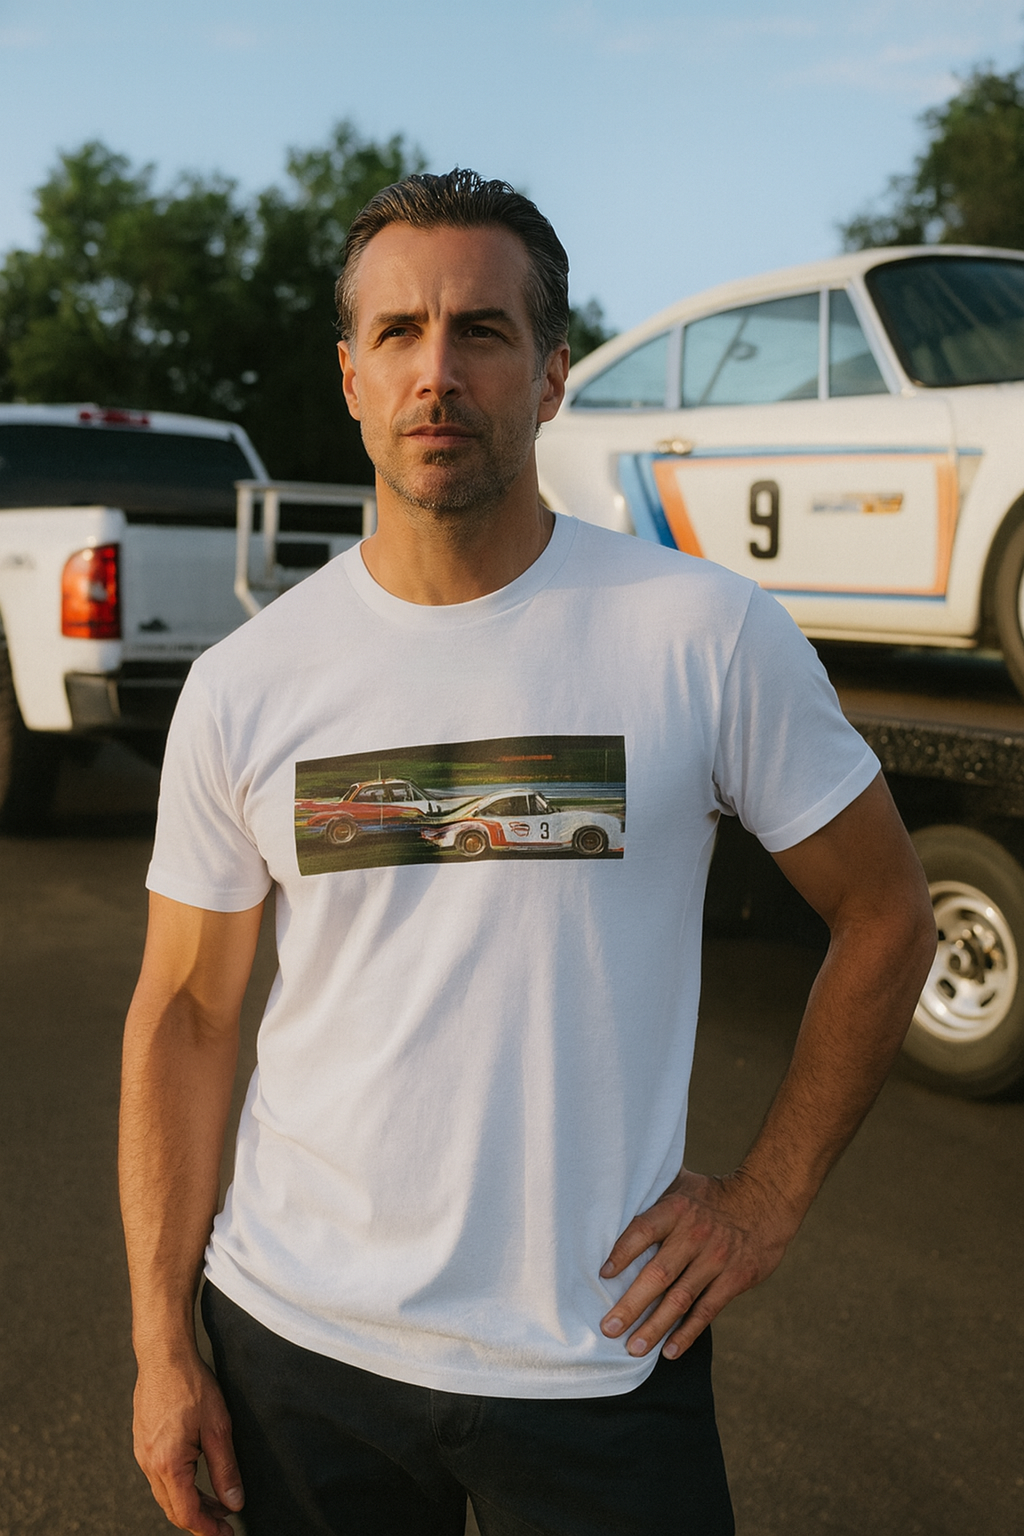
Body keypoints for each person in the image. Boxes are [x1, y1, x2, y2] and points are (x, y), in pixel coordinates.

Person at [119, 169, 936, 1536]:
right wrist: (160, 1345)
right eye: (398, 333)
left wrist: (765, 1200)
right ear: (350, 378)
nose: (438, 371)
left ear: (552, 375)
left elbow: (888, 915)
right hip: (294, 1352)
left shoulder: (702, 633)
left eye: (483, 332)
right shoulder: (250, 683)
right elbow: (189, 1013)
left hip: (600, 1360)